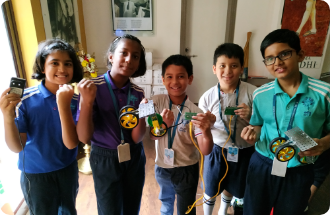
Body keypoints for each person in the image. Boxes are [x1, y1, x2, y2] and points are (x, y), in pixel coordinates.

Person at [241, 29, 330, 215]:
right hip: (262, 163)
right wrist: (252, 134)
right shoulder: (260, 94)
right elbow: (257, 124)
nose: (277, 62)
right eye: (270, 58)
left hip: (299, 167)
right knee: (253, 211)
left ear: (300, 55)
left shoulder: (324, 93)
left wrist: (323, 143)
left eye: (284, 54)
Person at [0, 38, 83, 214]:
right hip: (36, 175)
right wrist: (7, 116)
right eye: (54, 63)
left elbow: (71, 143)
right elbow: (16, 147)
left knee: (68, 211)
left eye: (68, 63)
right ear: (42, 68)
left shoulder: (76, 101)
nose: (62, 69)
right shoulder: (25, 101)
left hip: (67, 169)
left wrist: (64, 105)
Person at [76, 34, 147, 215]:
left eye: (135, 56)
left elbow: (137, 137)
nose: (129, 59)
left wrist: (144, 115)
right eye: (123, 53)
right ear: (111, 56)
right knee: (109, 209)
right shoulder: (92, 87)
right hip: (105, 158)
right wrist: (87, 102)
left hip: (134, 156)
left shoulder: (139, 92)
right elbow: (84, 137)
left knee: (132, 207)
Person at [150, 54, 215, 215]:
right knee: (165, 203)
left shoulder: (195, 112)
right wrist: (164, 124)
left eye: (181, 76)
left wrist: (206, 130)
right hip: (162, 167)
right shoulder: (156, 102)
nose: (175, 82)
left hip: (187, 169)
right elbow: (153, 136)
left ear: (190, 79)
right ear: (163, 79)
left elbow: (205, 150)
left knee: (186, 210)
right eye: (169, 77)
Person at [199, 43, 256, 215]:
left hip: (244, 151)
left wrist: (251, 116)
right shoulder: (207, 97)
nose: (227, 71)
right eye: (222, 66)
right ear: (214, 68)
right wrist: (206, 124)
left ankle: (223, 210)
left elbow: (263, 123)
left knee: (234, 185)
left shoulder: (253, 93)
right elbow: (202, 128)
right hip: (217, 150)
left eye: (234, 66)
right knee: (210, 186)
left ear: (242, 68)